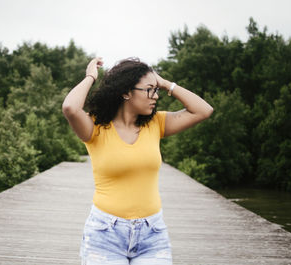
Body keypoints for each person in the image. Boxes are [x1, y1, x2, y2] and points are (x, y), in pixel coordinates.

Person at [62, 57, 213, 265]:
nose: (156, 96)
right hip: (105, 234)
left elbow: (204, 110)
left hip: (152, 234)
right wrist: (90, 76)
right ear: (125, 92)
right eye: (149, 90)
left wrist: (165, 83)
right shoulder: (95, 127)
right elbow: (70, 108)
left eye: (156, 89)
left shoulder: (156, 123)